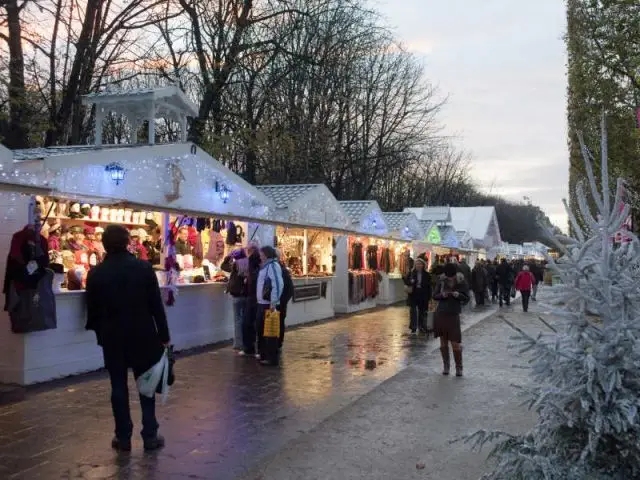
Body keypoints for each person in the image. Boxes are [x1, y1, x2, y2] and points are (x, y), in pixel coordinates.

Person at [85, 225, 170, 452]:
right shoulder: (143, 269)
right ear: (127, 243)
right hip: (143, 334)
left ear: (104, 244)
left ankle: (123, 437)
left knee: (118, 386)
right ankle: (150, 434)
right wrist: (164, 336)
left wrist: (101, 334)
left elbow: (92, 311)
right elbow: (156, 306)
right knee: (147, 384)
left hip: (113, 337)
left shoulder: (96, 274)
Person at [433, 263, 470, 376]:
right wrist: (442, 295)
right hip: (441, 313)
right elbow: (434, 295)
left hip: (453, 314)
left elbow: (466, 298)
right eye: (448, 276)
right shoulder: (441, 281)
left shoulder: (461, 281)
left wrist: (458, 295)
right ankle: (446, 366)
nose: (450, 278)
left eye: (452, 276)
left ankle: (459, 368)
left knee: (455, 343)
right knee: (443, 342)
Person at [255, 246, 284, 366]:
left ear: (266, 254)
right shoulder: (266, 266)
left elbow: (277, 284)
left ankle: (271, 357)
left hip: (268, 304)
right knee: (261, 330)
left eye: (261, 254)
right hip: (262, 303)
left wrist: (273, 302)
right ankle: (263, 354)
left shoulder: (272, 266)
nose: (260, 256)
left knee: (269, 332)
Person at [240, 241, 261, 358]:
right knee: (251, 323)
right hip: (254, 296)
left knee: (249, 323)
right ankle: (252, 348)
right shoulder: (254, 262)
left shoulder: (253, 262)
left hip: (254, 296)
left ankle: (250, 348)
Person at [226, 249, 249, 351]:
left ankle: (237, 343)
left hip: (236, 295)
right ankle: (245, 342)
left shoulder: (236, 265)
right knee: (245, 319)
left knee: (237, 320)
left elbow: (224, 266)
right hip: (246, 295)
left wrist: (229, 257)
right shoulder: (248, 263)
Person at [406, 257, 432, 335]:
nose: (418, 265)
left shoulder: (427, 274)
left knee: (423, 311)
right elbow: (406, 281)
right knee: (413, 311)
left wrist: (429, 297)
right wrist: (410, 282)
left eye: (420, 264)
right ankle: (413, 328)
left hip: (423, 294)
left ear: (423, 265)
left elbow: (429, 286)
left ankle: (422, 326)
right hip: (413, 294)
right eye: (417, 264)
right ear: (415, 265)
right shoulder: (411, 273)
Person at [276, 249, 294, 349]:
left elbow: (289, 289)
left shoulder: (282, 271)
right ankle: (277, 342)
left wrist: (282, 301)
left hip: (279, 303)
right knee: (279, 322)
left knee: (279, 322)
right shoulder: (281, 269)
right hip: (279, 302)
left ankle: (278, 342)